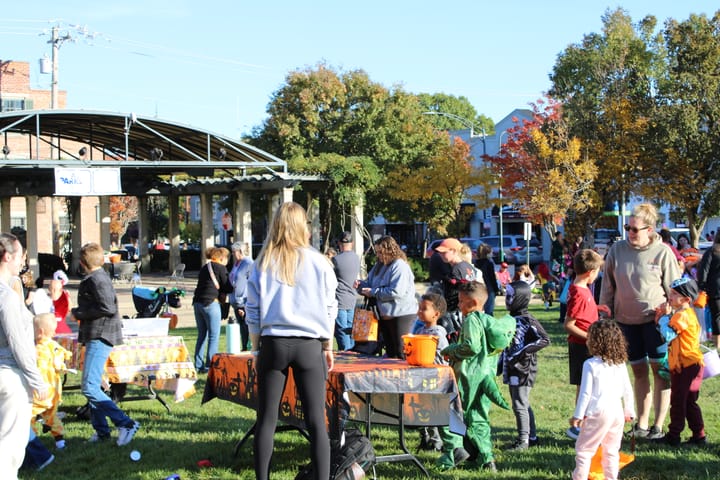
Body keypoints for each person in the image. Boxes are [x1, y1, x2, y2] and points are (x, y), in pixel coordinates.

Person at [245, 201, 338, 480]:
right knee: (316, 422)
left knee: (266, 420)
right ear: (303, 227)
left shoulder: (263, 261)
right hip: (309, 343)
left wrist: (254, 344)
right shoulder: (319, 261)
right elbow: (330, 305)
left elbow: (253, 308)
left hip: (273, 342)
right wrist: (328, 344)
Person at [599, 203, 681, 441]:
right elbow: (608, 287)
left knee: (660, 372)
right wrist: (606, 315)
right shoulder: (617, 250)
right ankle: (641, 423)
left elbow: (675, 290)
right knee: (638, 371)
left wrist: (670, 308)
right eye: (628, 228)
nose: (631, 233)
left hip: (656, 324)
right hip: (625, 322)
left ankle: (657, 425)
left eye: (635, 229)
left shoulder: (663, 252)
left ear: (650, 229)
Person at [71, 242, 140, 446]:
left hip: (101, 335)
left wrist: (78, 313)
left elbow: (107, 307)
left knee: (89, 386)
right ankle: (102, 432)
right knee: (94, 384)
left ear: (83, 262)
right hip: (96, 334)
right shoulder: (96, 278)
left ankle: (125, 423)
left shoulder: (97, 279)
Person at [441, 281, 509, 472]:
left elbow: (472, 346)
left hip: (469, 377)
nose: (459, 305)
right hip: (485, 374)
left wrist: (451, 349)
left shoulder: (471, 319)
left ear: (472, 302)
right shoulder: (487, 319)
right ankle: (485, 457)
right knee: (479, 416)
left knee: (457, 413)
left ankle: (455, 453)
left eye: (462, 301)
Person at [0, 232, 50, 478]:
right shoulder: (6, 297)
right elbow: (17, 341)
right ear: (8, 256)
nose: (22, 261)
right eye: (19, 256)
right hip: (9, 375)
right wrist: (36, 379)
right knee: (9, 446)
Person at [411, 291, 470, 469]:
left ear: (436, 314)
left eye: (424, 309)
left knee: (444, 415)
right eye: (419, 308)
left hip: (438, 379)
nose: (419, 311)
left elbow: (447, 354)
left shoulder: (437, 333)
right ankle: (435, 442)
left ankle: (454, 450)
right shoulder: (421, 330)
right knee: (428, 413)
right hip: (425, 380)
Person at [570, 319, 635, 480]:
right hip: (617, 412)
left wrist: (578, 415)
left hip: (597, 412)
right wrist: (629, 410)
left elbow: (585, 393)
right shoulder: (620, 364)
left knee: (584, 451)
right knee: (612, 450)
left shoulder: (590, 365)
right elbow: (627, 389)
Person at [652, 277, 706, 446]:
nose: (670, 297)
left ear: (686, 299)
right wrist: (662, 318)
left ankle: (674, 435)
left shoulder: (682, 316)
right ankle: (699, 436)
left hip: (687, 366)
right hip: (689, 364)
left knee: (678, 400)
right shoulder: (685, 314)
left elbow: (668, 335)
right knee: (689, 401)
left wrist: (663, 317)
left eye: (675, 294)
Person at [565, 249, 610, 439]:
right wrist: (590, 338)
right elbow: (569, 324)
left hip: (586, 345)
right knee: (585, 387)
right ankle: (578, 425)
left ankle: (584, 422)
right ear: (590, 272)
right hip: (582, 347)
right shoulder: (579, 294)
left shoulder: (582, 289)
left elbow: (582, 313)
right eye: (598, 270)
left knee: (589, 386)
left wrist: (597, 308)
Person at [501, 280, 550, 451]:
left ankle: (523, 441)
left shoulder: (528, 320)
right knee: (522, 402)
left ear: (520, 298)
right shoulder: (510, 319)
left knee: (519, 403)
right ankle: (532, 437)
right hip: (512, 367)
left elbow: (544, 339)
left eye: (510, 297)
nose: (507, 300)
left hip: (523, 369)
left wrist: (523, 353)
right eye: (506, 296)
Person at [357, 236, 417, 358]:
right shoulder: (379, 265)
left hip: (401, 315)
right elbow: (370, 283)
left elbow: (396, 292)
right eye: (377, 252)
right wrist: (360, 285)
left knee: (401, 351)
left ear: (389, 251)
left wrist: (373, 292)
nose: (378, 255)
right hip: (385, 316)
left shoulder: (399, 266)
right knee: (390, 352)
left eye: (380, 252)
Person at [31, 312, 72, 449]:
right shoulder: (55, 346)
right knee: (51, 415)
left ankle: (30, 439)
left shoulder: (38, 349)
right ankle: (60, 442)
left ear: (40, 332)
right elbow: (61, 360)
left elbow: (38, 369)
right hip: (53, 390)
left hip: (39, 390)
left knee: (29, 414)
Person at [192, 246, 233, 372]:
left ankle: (198, 365)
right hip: (211, 303)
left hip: (197, 303)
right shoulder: (221, 268)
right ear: (222, 258)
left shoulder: (205, 267)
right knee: (214, 336)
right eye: (227, 258)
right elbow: (228, 287)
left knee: (202, 335)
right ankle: (211, 365)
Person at [435, 238, 476, 325]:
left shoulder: (456, 270)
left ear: (454, 251)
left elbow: (454, 294)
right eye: (440, 252)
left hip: (457, 313)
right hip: (469, 310)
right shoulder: (467, 266)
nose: (440, 254)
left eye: (444, 252)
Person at [332, 231, 361, 351]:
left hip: (339, 299)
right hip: (352, 298)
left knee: (342, 330)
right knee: (350, 329)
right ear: (352, 243)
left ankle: (345, 354)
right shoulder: (356, 258)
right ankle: (352, 353)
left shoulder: (335, 260)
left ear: (339, 243)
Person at [229, 242, 254, 352]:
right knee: (241, 327)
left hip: (244, 301)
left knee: (246, 326)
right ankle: (244, 347)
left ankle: (248, 348)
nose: (233, 254)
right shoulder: (236, 264)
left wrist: (245, 301)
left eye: (234, 252)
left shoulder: (248, 263)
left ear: (240, 251)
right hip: (235, 300)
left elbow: (251, 282)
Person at [698, 231, 720, 349]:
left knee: (716, 316)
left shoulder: (711, 251)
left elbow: (704, 270)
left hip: (714, 289)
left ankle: (717, 344)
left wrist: (702, 286)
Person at [474, 243, 501, 315]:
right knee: (489, 310)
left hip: (479, 287)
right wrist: (496, 289)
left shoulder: (476, 262)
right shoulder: (489, 262)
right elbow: (492, 277)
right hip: (489, 288)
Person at [48, 270, 72, 334]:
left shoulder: (65, 296)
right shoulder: (45, 299)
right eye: (51, 289)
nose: (51, 291)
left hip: (59, 325)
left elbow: (69, 308)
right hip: (51, 326)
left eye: (54, 290)